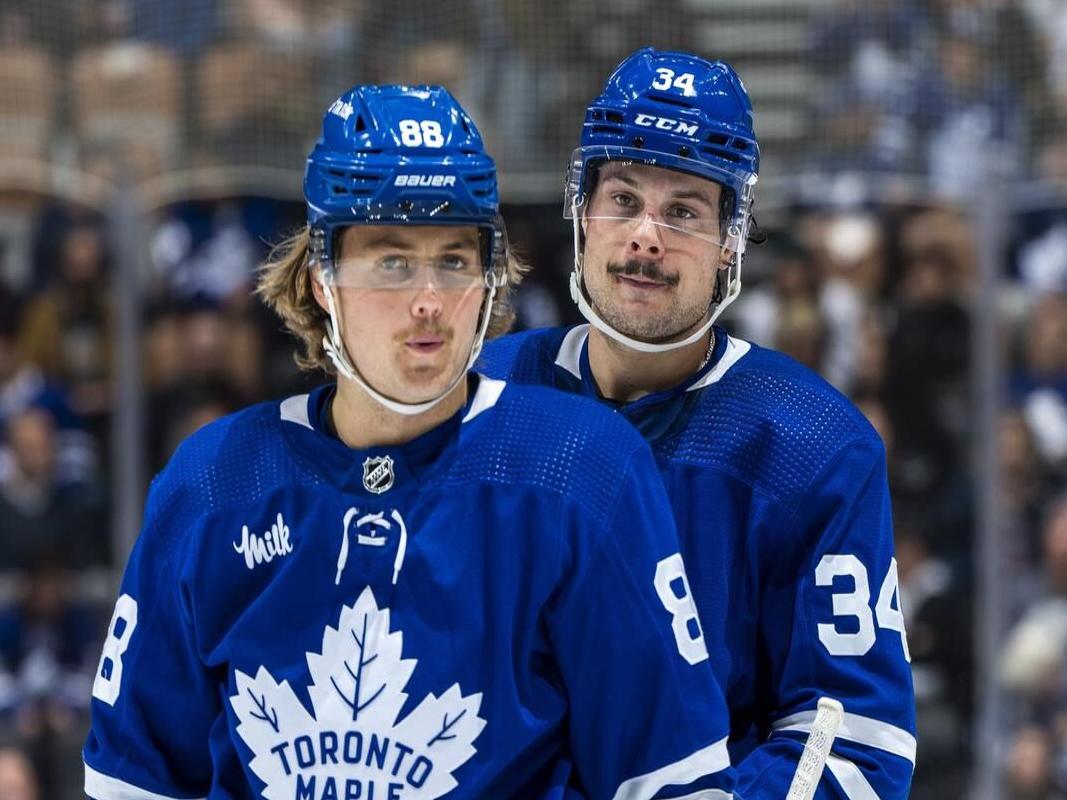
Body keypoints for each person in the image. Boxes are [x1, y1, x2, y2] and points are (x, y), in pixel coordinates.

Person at [82, 84, 738, 799]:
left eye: (453, 261)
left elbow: (671, 780)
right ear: (321, 278)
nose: (428, 299)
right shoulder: (213, 484)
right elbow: (133, 782)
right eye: (392, 263)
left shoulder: (580, 469)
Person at [479, 48, 917, 798]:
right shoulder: (484, 396)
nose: (645, 236)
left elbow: (853, 735)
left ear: (729, 243)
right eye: (622, 199)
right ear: (580, 215)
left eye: (682, 210)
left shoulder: (811, 443)